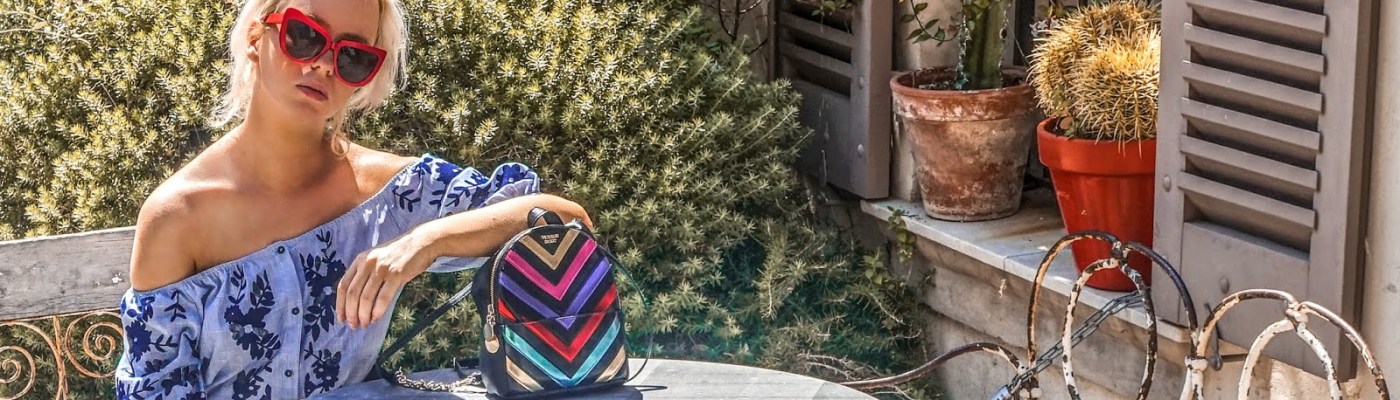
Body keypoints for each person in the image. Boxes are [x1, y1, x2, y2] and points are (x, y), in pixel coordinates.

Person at [113, 0, 592, 397]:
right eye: (305, 35)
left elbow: (565, 220)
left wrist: (425, 242)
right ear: (258, 35)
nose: (324, 64)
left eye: (354, 56)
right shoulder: (179, 216)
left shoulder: (392, 194)